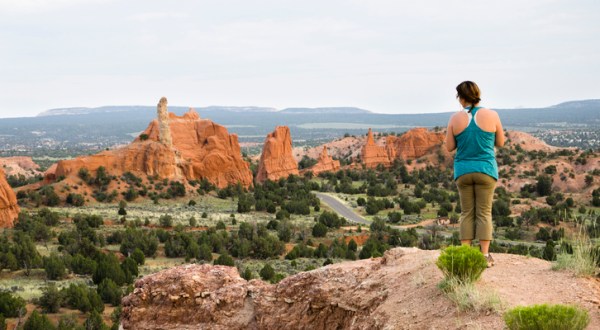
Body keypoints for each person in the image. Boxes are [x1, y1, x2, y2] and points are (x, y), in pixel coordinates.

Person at [445, 81, 504, 267]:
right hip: (486, 170)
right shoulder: (492, 115)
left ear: (461, 98)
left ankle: (465, 254)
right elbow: (500, 142)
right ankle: (484, 256)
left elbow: (449, 147)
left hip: (463, 171)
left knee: (467, 212)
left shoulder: (455, 118)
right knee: (484, 213)